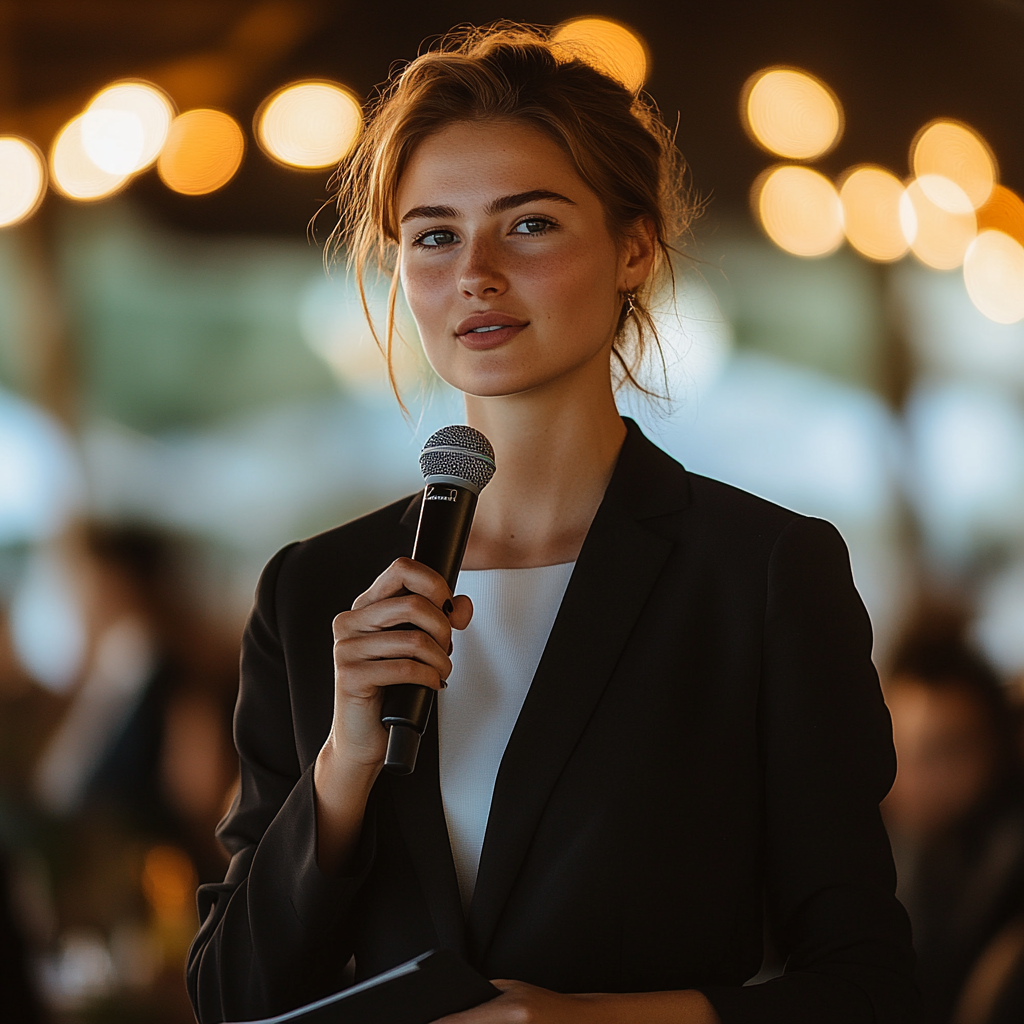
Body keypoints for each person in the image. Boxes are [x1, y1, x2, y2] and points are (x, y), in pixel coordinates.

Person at [187, 24, 918, 1024]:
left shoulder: (759, 576)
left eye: (527, 224)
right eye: (434, 234)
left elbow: (867, 985)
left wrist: (599, 1022)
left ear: (631, 248)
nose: (475, 272)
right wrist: (342, 768)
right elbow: (228, 997)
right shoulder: (316, 590)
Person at [883, 620, 1024, 1024]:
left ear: (996, 742)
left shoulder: (1008, 856)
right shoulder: (867, 844)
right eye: (902, 750)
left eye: (946, 750)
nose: (922, 776)